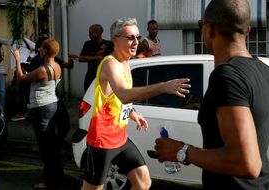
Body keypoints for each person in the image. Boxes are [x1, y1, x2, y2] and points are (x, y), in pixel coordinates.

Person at [154, 0, 269, 189]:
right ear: (248, 30)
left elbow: (246, 163)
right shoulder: (266, 72)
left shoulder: (227, 76)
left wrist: (182, 151)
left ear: (209, 29)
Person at [81, 17, 191, 190]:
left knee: (143, 182)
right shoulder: (110, 64)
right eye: (130, 37)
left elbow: (117, 98)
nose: (135, 42)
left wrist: (131, 113)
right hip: (102, 141)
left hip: (121, 138)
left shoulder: (125, 63)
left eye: (137, 37)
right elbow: (124, 95)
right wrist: (163, 87)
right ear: (115, 40)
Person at [11, 39, 64, 189]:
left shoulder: (43, 69)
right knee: (51, 145)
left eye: (41, 49)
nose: (39, 51)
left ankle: (48, 181)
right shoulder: (57, 66)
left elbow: (22, 79)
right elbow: (38, 79)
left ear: (46, 52)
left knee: (46, 147)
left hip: (42, 107)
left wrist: (17, 58)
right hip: (52, 105)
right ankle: (58, 176)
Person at [69, 24, 113, 91]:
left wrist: (93, 58)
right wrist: (96, 58)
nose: (89, 34)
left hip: (105, 77)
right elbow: (81, 58)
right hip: (91, 76)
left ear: (98, 33)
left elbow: (110, 59)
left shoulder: (108, 44)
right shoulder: (88, 44)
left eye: (91, 32)